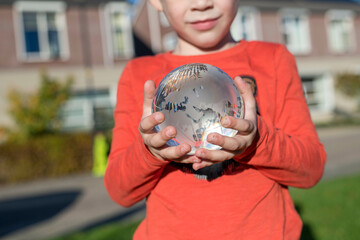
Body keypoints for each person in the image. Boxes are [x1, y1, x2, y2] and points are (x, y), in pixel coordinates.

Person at [104, 0, 327, 239]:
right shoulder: (137, 75)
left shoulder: (273, 59)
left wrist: (257, 142)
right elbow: (120, 191)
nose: (202, 3)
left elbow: (311, 170)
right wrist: (149, 152)